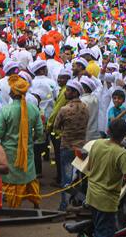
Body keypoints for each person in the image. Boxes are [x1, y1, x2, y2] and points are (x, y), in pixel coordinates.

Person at [0, 75, 44, 208]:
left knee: (12, 182)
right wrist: (29, 141)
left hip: (9, 152)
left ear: (12, 92)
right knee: (29, 178)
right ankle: (36, 204)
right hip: (28, 151)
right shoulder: (33, 109)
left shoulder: (6, 110)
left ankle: (14, 208)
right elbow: (39, 131)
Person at [54, 78, 88, 211]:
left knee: (66, 179)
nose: (65, 92)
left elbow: (56, 126)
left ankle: (64, 206)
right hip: (81, 147)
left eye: (68, 90)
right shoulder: (85, 107)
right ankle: (80, 201)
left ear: (74, 93)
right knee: (78, 177)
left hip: (67, 147)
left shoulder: (64, 109)